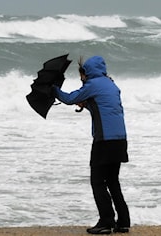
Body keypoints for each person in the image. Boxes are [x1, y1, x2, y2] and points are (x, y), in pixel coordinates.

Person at [53, 56, 130, 234]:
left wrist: (53, 89)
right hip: (120, 140)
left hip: (104, 140)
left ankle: (106, 222)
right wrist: (87, 104)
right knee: (112, 181)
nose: (81, 79)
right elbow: (104, 107)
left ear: (86, 72)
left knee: (97, 181)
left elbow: (69, 98)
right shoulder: (111, 84)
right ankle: (123, 221)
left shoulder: (92, 85)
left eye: (81, 75)